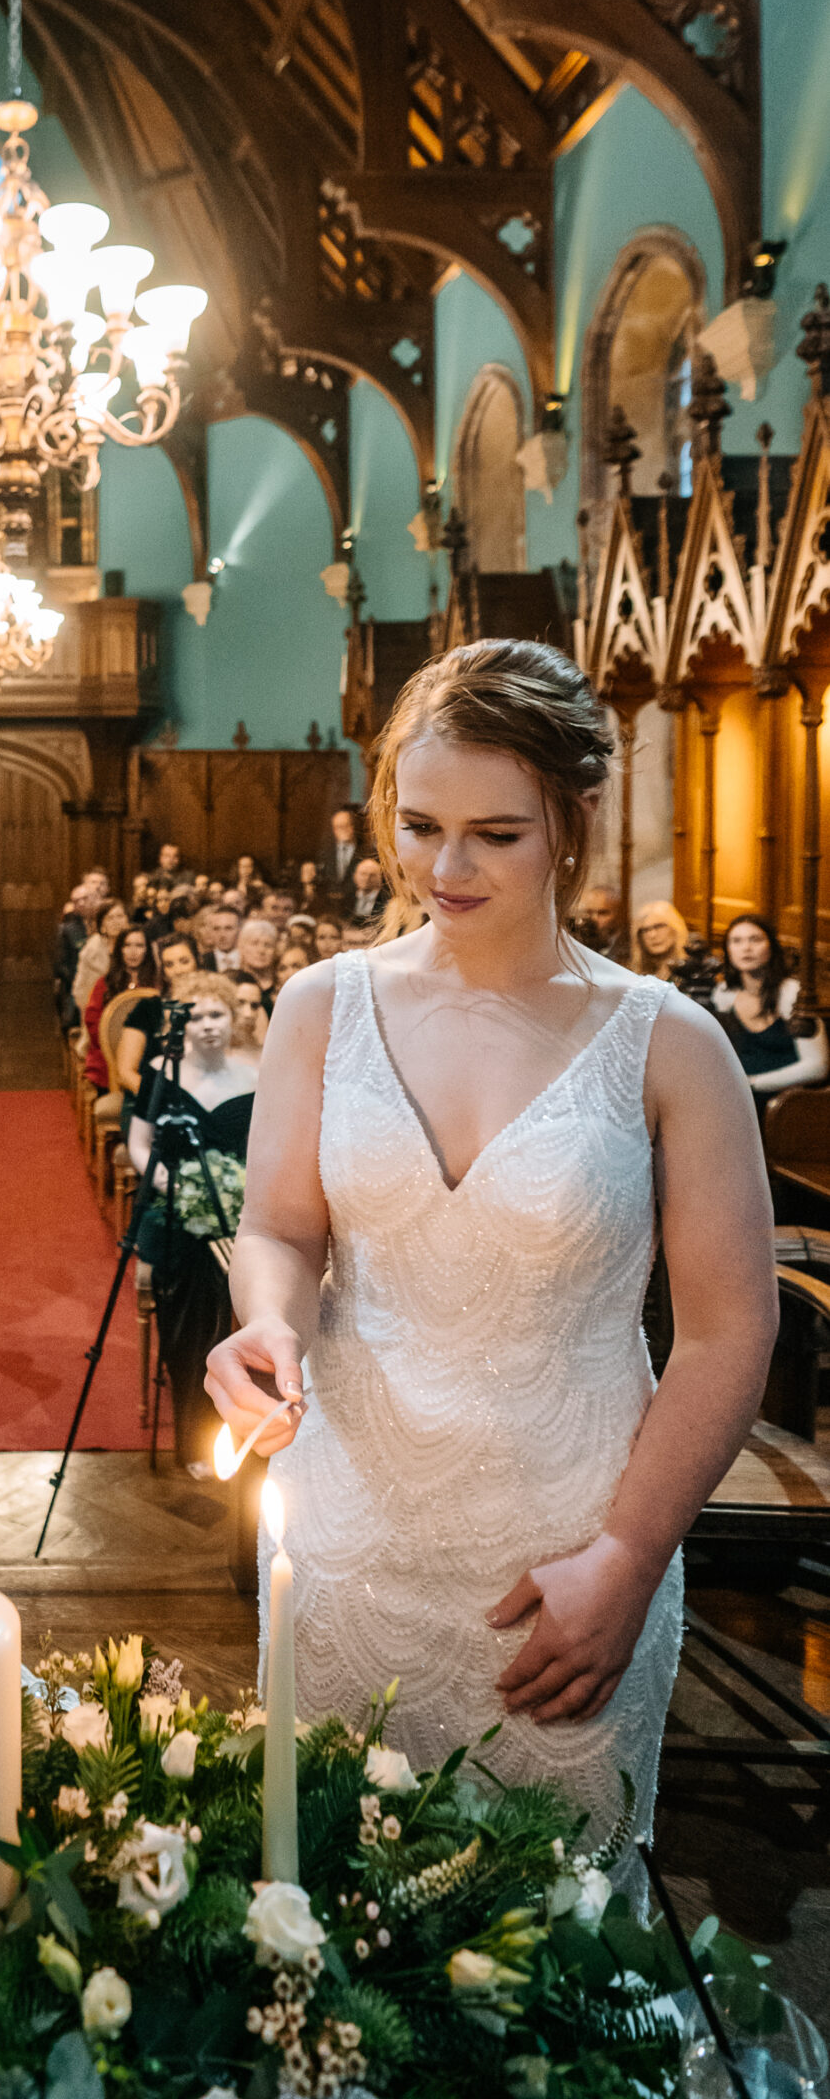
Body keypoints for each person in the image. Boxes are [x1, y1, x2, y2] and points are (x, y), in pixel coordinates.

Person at [205, 638, 775, 1896]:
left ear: (571, 824)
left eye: (496, 835)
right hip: (349, 1530)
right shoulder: (324, 1005)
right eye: (419, 826)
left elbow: (732, 1331)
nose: (444, 870)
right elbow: (284, 1230)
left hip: (566, 1547)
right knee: (329, 1917)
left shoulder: (668, 1045)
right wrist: (268, 1324)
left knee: (550, 1936)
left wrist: (627, 1560)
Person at [129, 972, 259, 1472]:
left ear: (233, 1019)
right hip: (179, 1219)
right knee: (188, 1336)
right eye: (198, 1016)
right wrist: (174, 1186)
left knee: (240, 1332)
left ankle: (245, 1438)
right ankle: (195, 1443)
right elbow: (138, 1145)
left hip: (242, 1222)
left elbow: (266, 1150)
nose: (208, 1026)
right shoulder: (162, 1071)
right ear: (181, 1025)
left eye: (217, 1014)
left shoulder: (255, 1073)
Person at [711, 914, 828, 1109]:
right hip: (735, 1098)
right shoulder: (723, 994)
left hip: (787, 1103)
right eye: (736, 941)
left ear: (771, 947)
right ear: (728, 950)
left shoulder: (793, 993)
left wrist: (752, 1083)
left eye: (755, 939)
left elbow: (818, 1066)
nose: (746, 948)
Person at [117, 931, 200, 1100]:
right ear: (163, 971)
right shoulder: (148, 1008)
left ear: (198, 962)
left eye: (184, 962)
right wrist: (160, 1100)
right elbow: (125, 1073)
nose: (178, 970)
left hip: (205, 1097)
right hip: (153, 1098)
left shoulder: (215, 1006)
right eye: (169, 965)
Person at [83, 924, 158, 1092]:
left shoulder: (157, 984)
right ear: (120, 950)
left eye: (139, 946)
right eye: (127, 945)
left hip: (150, 1057)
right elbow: (93, 1024)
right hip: (108, 1056)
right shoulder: (105, 984)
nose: (133, 952)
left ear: (147, 950)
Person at [72, 897, 132, 1020]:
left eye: (120, 916)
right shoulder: (92, 950)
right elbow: (82, 990)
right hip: (101, 1014)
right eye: (110, 918)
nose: (116, 922)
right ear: (102, 924)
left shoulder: (138, 943)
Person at [54, 882, 99, 1030]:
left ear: (95, 898)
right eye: (76, 901)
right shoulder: (67, 930)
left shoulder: (105, 924)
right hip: (77, 987)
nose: (81, 903)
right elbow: (61, 964)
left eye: (85, 898)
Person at [630, 900, 692, 980]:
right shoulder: (635, 974)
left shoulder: (693, 970)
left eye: (659, 926)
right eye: (645, 930)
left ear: (675, 928)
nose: (652, 935)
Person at [316, 802, 368, 894]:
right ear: (334, 830)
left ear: (353, 826)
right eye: (339, 827)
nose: (344, 830)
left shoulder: (366, 853)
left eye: (346, 825)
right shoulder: (326, 854)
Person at [569, 881, 622, 956]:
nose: (594, 918)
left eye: (602, 913)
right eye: (589, 912)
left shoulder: (625, 949)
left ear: (619, 915)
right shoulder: (578, 945)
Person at [344, 855, 386, 930]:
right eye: (363, 874)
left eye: (372, 875)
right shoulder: (347, 898)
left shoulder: (385, 900)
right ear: (355, 876)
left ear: (380, 878)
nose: (367, 878)